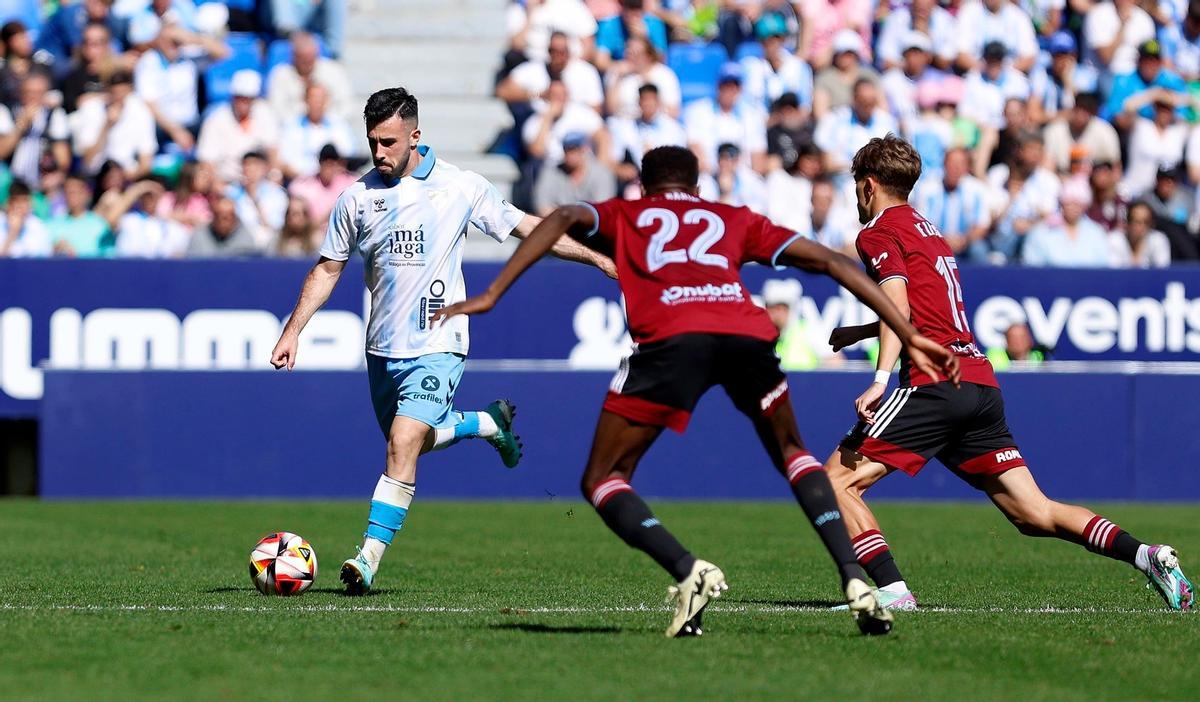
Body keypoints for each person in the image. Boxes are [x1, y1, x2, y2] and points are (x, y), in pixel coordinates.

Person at [432, 144, 961, 638]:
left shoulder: (630, 214)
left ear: (643, 187)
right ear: (697, 184)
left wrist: (493, 293)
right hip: (744, 335)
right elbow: (833, 262)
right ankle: (852, 577)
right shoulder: (731, 218)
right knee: (795, 455)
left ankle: (689, 570)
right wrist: (910, 332)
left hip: (671, 339)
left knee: (602, 479)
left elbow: (566, 218)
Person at [821, 135, 1193, 612]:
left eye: (856, 185)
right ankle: (1147, 556)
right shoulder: (929, 231)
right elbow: (918, 310)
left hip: (934, 384)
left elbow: (898, 303)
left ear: (869, 185)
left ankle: (891, 591)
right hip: (977, 382)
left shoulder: (875, 233)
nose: (856, 195)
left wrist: (879, 378)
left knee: (835, 481)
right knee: (1033, 513)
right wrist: (862, 329)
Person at [268, 87, 613, 597]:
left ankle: (366, 560)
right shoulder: (357, 197)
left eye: (388, 142)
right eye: (372, 143)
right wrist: (293, 329)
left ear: (415, 135)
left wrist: (600, 258)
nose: (379, 153)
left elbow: (530, 230)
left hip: (440, 341)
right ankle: (486, 422)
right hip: (382, 349)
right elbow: (328, 268)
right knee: (410, 443)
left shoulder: (460, 186)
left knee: (403, 443)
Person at [195, 69, 280, 183]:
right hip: (228, 181)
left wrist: (274, 175)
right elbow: (207, 160)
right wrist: (219, 186)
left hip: (261, 183)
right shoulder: (216, 119)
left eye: (248, 98)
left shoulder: (265, 113)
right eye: (239, 97)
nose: (243, 103)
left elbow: (272, 149)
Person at [533, 132, 616, 216]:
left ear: (584, 149)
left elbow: (602, 210)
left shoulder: (602, 174)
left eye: (575, 150)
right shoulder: (551, 172)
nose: (571, 155)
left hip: (592, 226)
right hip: (559, 225)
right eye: (567, 150)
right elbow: (542, 206)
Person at [288, 143, 358, 232]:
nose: (328, 169)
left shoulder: (348, 182)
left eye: (332, 164)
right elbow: (293, 189)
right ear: (320, 163)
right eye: (325, 164)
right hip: (314, 235)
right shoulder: (307, 185)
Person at [46, 172, 114, 258]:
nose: (71, 196)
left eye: (75, 192)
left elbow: (108, 257)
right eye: (68, 191)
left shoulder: (100, 225)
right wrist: (55, 250)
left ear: (86, 194)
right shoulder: (52, 224)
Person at [186, 194, 261, 258]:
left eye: (227, 217)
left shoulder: (245, 237)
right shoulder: (200, 235)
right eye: (219, 215)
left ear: (234, 217)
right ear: (213, 216)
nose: (223, 222)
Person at [1110, 200, 1172, 267]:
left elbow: (1163, 272)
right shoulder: (1115, 239)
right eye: (1136, 222)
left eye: (1146, 222)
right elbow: (1114, 272)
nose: (1141, 227)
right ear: (1127, 223)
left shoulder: (1158, 240)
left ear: (1152, 225)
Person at [0, 180, 51, 257]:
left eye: (24, 201)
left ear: (30, 203)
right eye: (16, 201)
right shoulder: (1, 222)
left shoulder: (39, 227)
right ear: (8, 202)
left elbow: (45, 261)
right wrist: (12, 233)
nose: (20, 206)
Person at [984, 321, 1050, 370]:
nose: (1018, 342)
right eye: (1013, 338)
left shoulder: (1040, 357)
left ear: (1029, 340)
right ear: (1006, 340)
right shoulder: (995, 356)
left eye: (1022, 337)